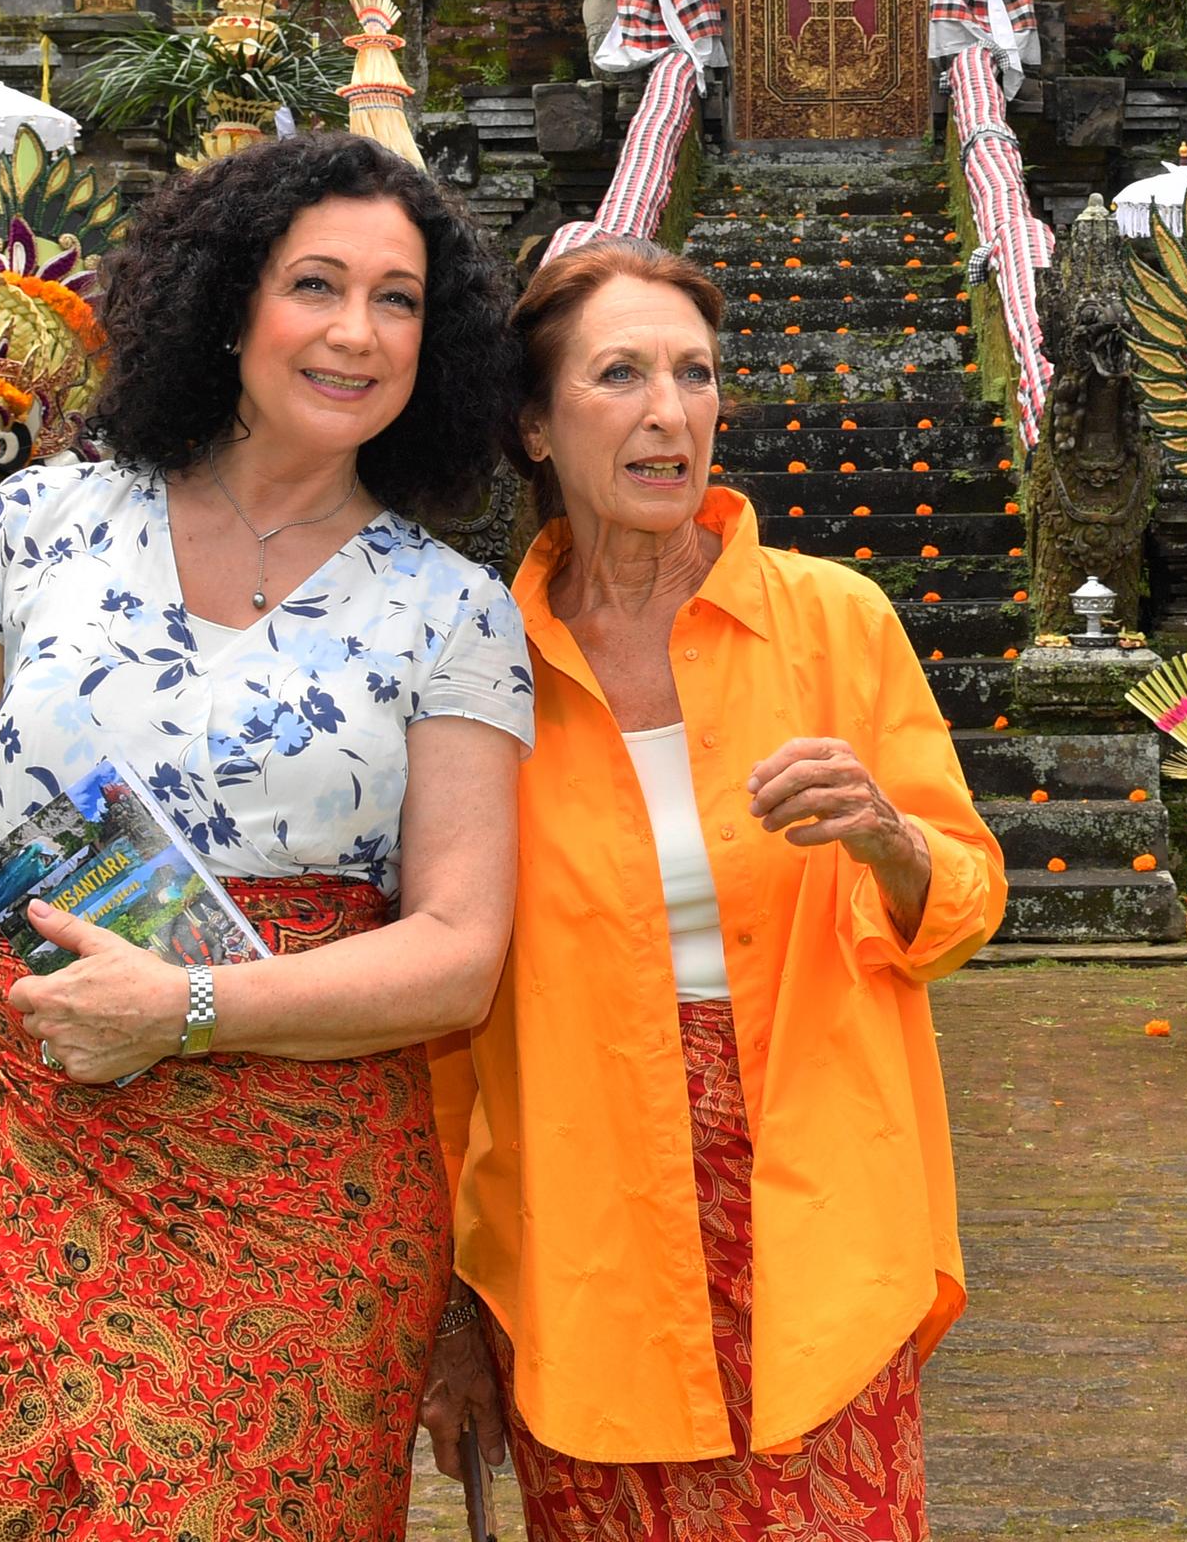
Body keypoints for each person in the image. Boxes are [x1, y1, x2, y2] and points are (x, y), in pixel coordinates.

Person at [0, 134, 534, 1539]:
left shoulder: (451, 609)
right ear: (228, 304)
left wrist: (190, 1008)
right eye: (318, 285)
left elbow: (460, 958)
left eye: (398, 300)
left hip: (300, 1206)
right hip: (13, 1167)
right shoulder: (42, 528)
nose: (356, 332)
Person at [420, 238, 1005, 1540]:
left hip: (819, 1212)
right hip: (588, 1241)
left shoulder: (835, 624)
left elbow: (965, 901)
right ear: (533, 422)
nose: (667, 411)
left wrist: (887, 842)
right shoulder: (473, 673)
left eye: (694, 373)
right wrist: (456, 1314)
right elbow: (444, 1030)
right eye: (619, 374)